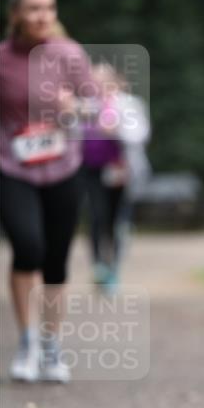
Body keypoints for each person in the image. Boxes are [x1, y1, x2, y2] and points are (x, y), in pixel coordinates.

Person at [0, 0, 94, 382]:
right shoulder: (1, 59)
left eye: (49, 8)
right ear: (16, 14)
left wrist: (75, 107)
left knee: (55, 258)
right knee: (27, 246)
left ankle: (51, 345)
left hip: (63, 166)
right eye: (34, 8)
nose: (43, 15)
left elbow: (97, 109)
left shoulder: (69, 55)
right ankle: (27, 340)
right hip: (12, 166)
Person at [80, 62, 151, 289]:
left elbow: (141, 134)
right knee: (96, 216)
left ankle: (113, 268)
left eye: (104, 79)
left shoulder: (128, 104)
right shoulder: (84, 105)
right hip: (90, 170)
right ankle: (99, 264)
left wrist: (116, 129)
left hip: (121, 170)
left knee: (117, 220)